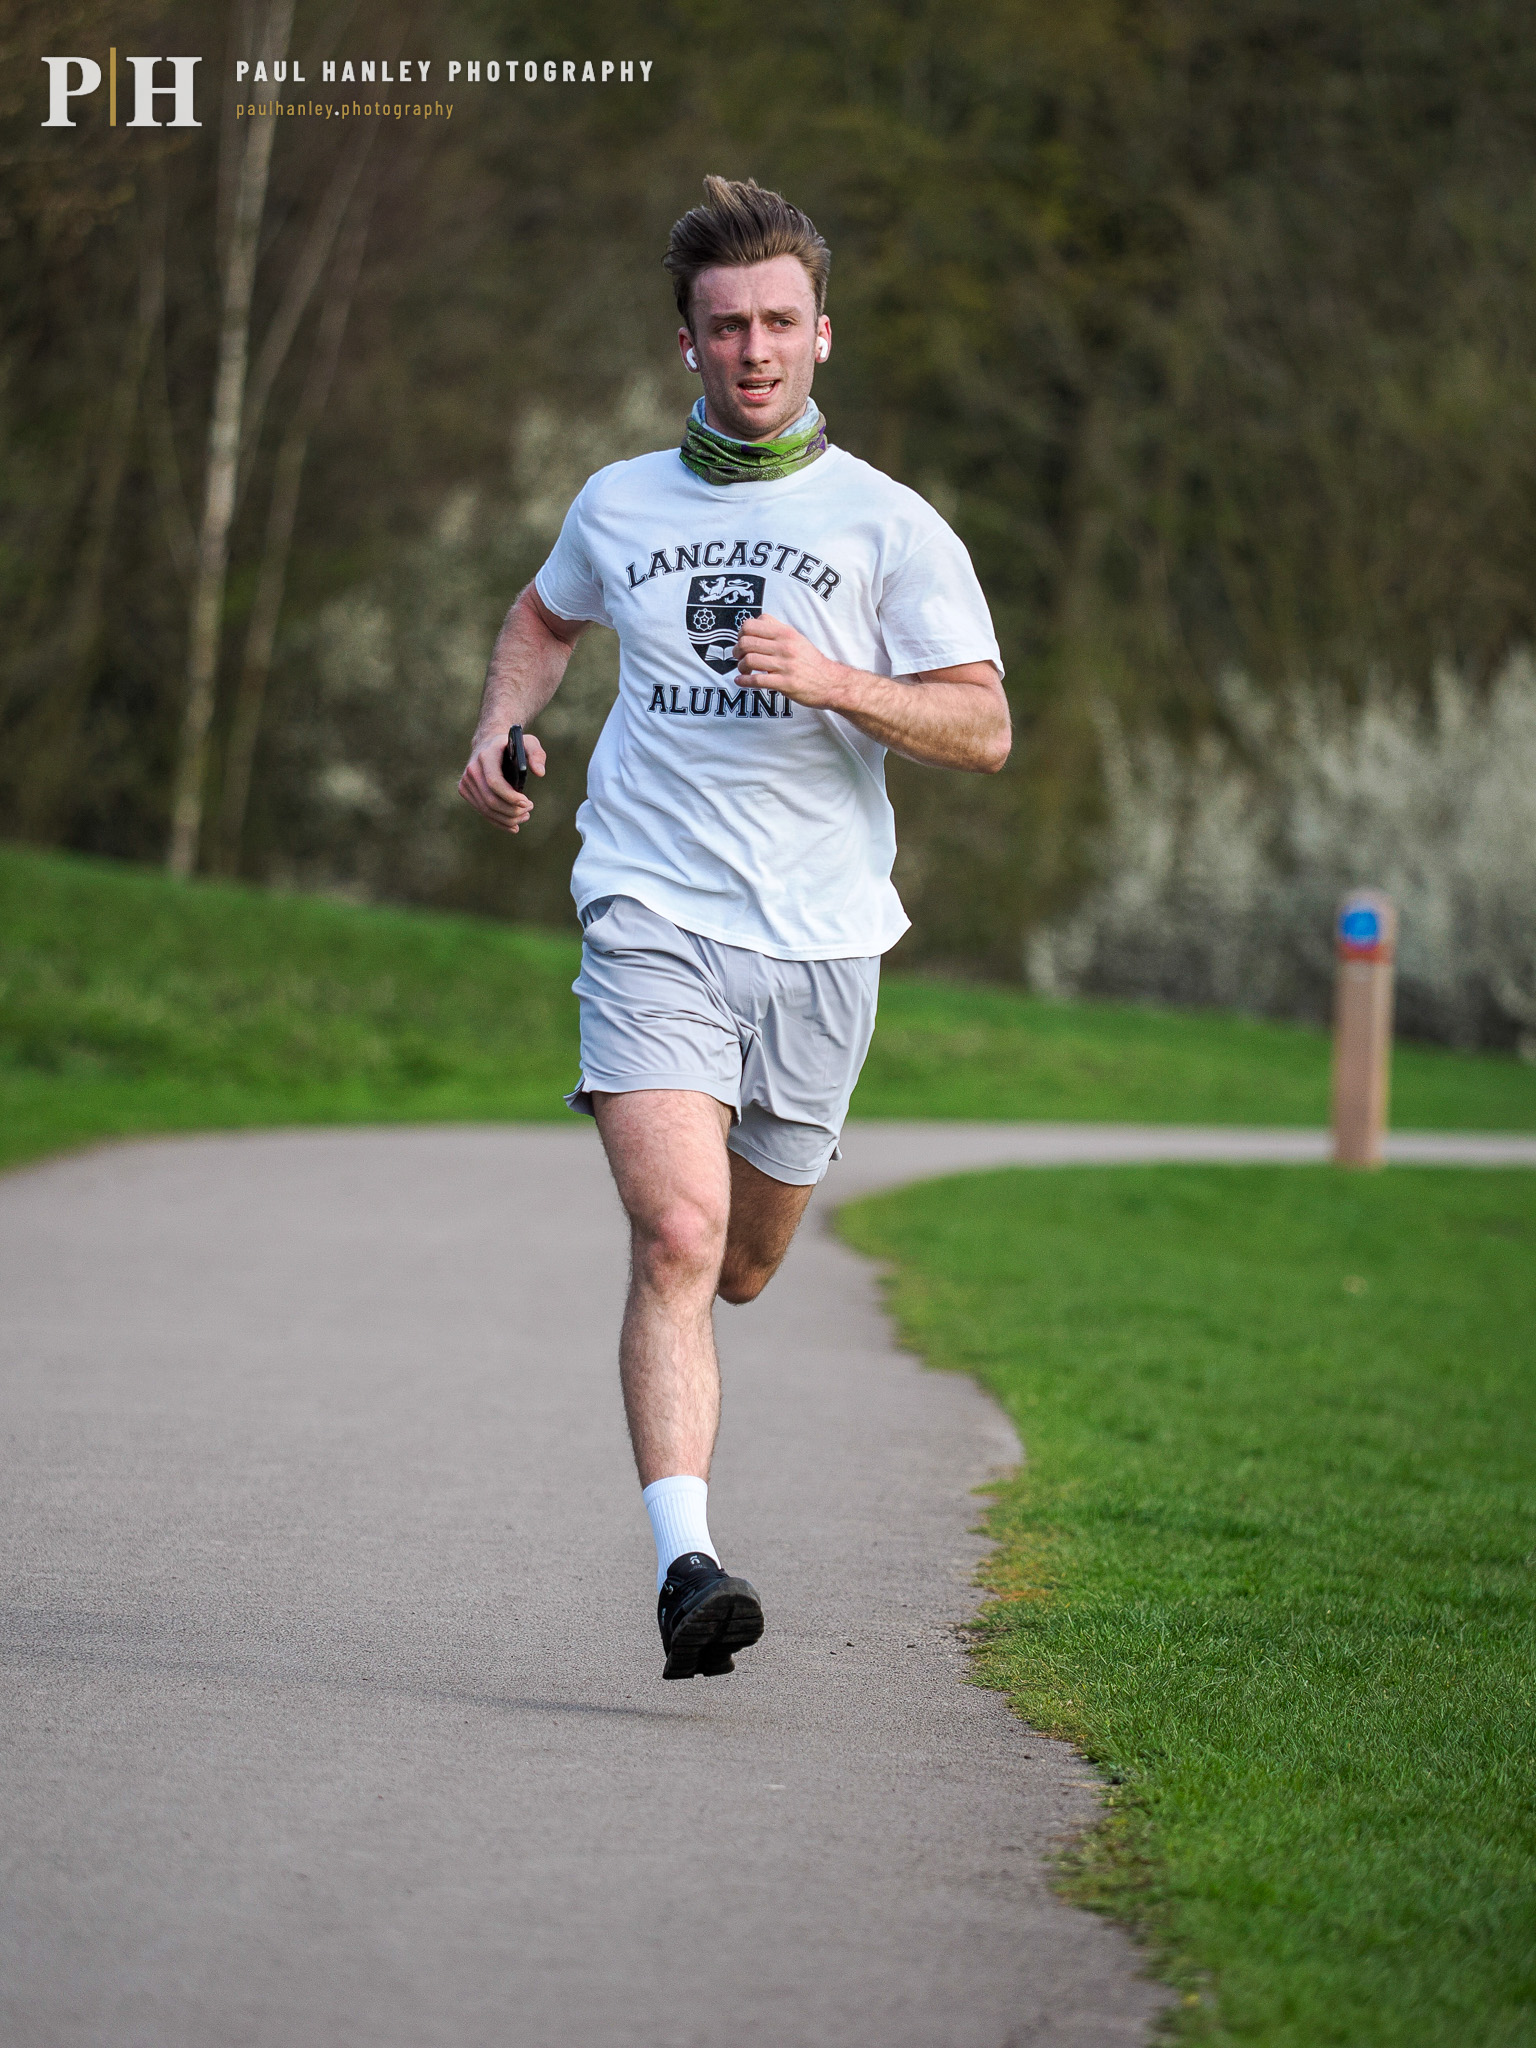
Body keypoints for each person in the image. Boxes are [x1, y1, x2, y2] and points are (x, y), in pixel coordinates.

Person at [459, 176, 1010, 1681]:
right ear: (685, 347)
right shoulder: (620, 502)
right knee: (678, 1235)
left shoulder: (888, 524)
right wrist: (504, 724)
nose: (753, 350)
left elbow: (985, 728)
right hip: (650, 907)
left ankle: (700, 1420)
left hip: (824, 944)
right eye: (725, 327)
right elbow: (543, 617)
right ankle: (686, 1564)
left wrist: (841, 684)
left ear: (820, 336)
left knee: (749, 1262)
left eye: (778, 323)